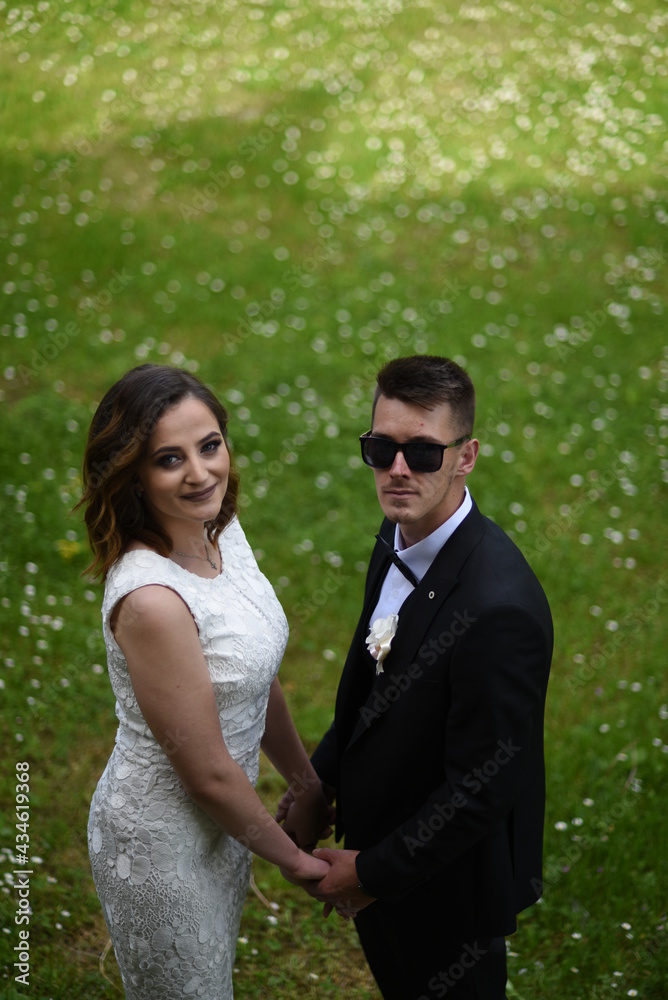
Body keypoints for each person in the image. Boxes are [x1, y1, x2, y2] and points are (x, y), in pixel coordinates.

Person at [278, 355, 553, 1000]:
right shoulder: (399, 530)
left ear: (467, 456)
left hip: (446, 880)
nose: (398, 470)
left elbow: (484, 788)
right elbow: (370, 686)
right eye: (382, 448)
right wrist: (321, 779)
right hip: (384, 840)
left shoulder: (499, 609)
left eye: (424, 453)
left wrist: (369, 874)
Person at [77, 364, 330, 1000]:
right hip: (161, 843)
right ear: (131, 473)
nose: (200, 473)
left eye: (209, 445)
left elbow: (249, 671)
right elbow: (208, 774)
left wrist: (305, 780)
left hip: (226, 822)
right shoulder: (152, 601)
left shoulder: (217, 529)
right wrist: (298, 863)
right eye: (169, 459)